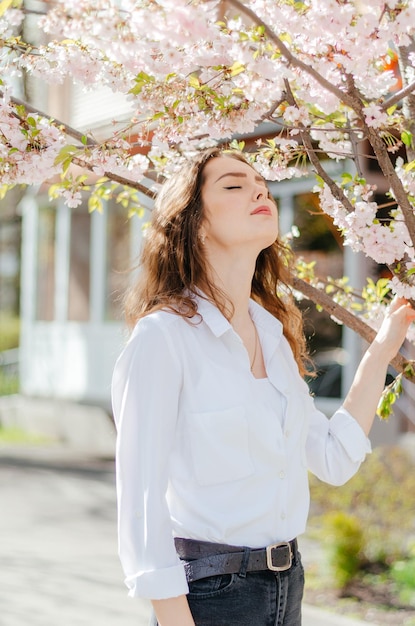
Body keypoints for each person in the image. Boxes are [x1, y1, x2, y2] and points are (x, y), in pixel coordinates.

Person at [111, 147, 415, 626]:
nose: (259, 190)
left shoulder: (271, 336)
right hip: (208, 596)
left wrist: (381, 351)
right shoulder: (163, 338)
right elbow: (140, 500)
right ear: (194, 222)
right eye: (233, 185)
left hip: (286, 587)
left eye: (261, 183)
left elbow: (333, 457)